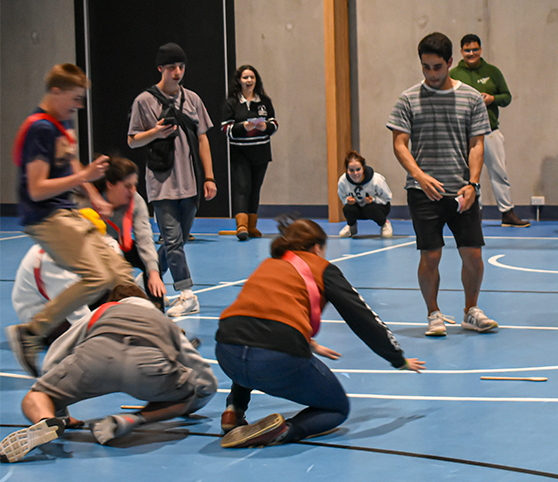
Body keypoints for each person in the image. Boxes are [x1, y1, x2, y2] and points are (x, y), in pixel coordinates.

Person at [214, 218, 425, 448]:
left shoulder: (268, 264)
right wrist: (398, 359)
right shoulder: (322, 268)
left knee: (248, 338)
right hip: (276, 358)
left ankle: (233, 409)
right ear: (316, 247)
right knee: (337, 408)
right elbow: (363, 318)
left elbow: (258, 315)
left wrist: (309, 343)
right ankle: (284, 430)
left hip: (227, 352)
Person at [6, 63, 135, 379]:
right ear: (56, 92)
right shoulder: (41, 129)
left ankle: (145, 336)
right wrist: (84, 176)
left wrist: (92, 194)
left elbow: (71, 162)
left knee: (121, 274)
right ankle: (31, 332)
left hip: (68, 212)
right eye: (74, 99)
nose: (78, 106)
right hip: (45, 217)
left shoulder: (62, 124)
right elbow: (36, 190)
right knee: (97, 277)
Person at [0, 283, 217, 463]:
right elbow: (199, 370)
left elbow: (56, 353)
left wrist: (58, 407)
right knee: (190, 391)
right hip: (147, 368)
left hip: (95, 358)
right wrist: (199, 396)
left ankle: (45, 421)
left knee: (36, 396)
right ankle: (134, 420)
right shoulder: (161, 319)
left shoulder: (104, 311)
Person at [387, 32, 499, 336]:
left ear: (450, 62)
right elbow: (399, 143)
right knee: (431, 255)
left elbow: (477, 145)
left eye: (437, 67)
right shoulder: (408, 99)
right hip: (423, 193)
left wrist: (473, 185)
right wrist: (420, 177)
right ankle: (433, 314)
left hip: (462, 191)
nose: (431, 73)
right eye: (426, 67)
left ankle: (470, 311)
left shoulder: (472, 98)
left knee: (473, 254)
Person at [128, 42, 216, 317]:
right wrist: (154, 132)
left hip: (190, 182)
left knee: (173, 243)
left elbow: (203, 139)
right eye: (171, 67)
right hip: (161, 183)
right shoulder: (144, 101)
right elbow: (132, 141)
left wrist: (209, 177)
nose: (177, 72)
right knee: (173, 240)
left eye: (181, 67)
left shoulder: (193, 99)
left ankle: (145, 285)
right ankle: (187, 294)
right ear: (160, 69)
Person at [450, 34, 529, 228]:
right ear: (461, 52)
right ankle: (473, 212)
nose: (471, 53)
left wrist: (492, 99)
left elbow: (507, 97)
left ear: (480, 50)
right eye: (467, 50)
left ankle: (507, 212)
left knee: (499, 172)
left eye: (475, 49)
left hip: (490, 131)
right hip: (464, 134)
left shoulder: (492, 71)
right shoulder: (453, 74)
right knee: (469, 175)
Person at [11, 210, 120, 345]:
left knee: (108, 287)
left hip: (60, 299)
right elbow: (77, 314)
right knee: (84, 337)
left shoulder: (101, 242)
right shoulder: (50, 258)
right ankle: (30, 334)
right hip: (40, 312)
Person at [91, 157, 166, 310]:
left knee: (152, 264)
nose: (133, 191)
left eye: (135, 185)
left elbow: (144, 238)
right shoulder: (89, 202)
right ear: (110, 185)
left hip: (120, 249)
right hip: (94, 254)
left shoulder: (136, 201)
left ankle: (157, 312)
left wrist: (153, 272)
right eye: (127, 186)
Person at [220, 64, 278, 241]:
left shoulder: (264, 102)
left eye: (252, 77)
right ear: (239, 80)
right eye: (245, 77)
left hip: (261, 152)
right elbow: (225, 128)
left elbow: (274, 125)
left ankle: (252, 226)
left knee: (255, 189)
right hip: (240, 153)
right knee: (242, 188)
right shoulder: (231, 103)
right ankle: (242, 226)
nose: (249, 80)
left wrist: (265, 126)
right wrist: (243, 127)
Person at [337, 150, 393, 238]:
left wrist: (373, 200)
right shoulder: (343, 181)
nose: (355, 173)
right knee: (348, 209)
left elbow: (387, 197)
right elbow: (342, 196)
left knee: (370, 208)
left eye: (358, 169)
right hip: (358, 208)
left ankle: (384, 224)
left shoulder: (376, 180)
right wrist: (347, 200)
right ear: (347, 170)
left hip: (377, 207)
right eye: (351, 170)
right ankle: (351, 226)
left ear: (363, 168)